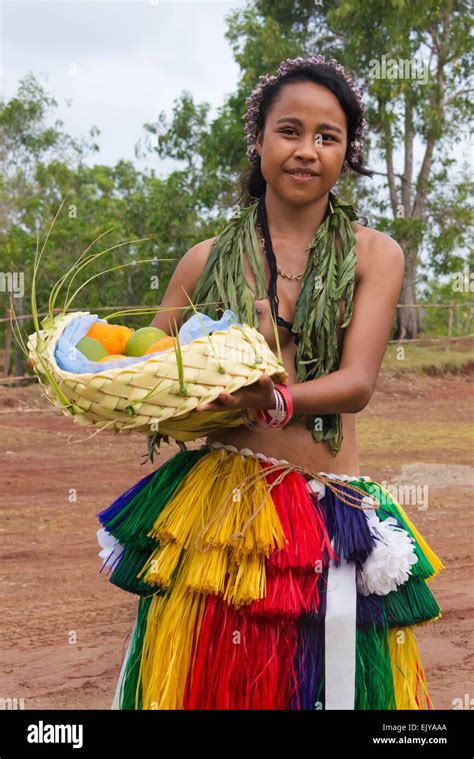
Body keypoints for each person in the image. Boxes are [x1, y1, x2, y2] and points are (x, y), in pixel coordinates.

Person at [97, 55, 444, 710]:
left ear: (347, 153)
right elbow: (151, 376)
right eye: (290, 131)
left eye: (327, 136)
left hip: (325, 508)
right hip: (218, 509)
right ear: (258, 139)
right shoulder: (204, 261)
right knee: (210, 681)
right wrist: (135, 387)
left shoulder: (375, 254)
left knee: (330, 686)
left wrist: (275, 395)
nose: (306, 150)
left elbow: (357, 382)